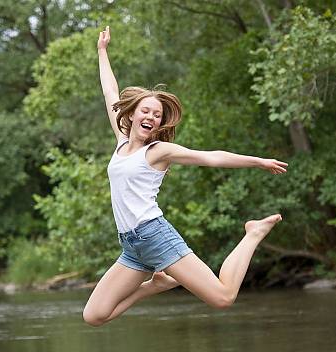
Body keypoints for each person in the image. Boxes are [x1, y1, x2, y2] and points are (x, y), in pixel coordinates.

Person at [83, 26, 288, 327]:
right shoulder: (122, 142)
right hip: (131, 245)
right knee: (94, 316)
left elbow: (210, 157)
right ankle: (155, 284)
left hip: (154, 236)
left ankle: (253, 233)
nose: (151, 117)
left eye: (157, 115)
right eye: (146, 111)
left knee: (223, 297)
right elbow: (109, 92)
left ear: (159, 125)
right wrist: (102, 52)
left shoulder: (157, 151)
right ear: (132, 114)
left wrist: (257, 161)